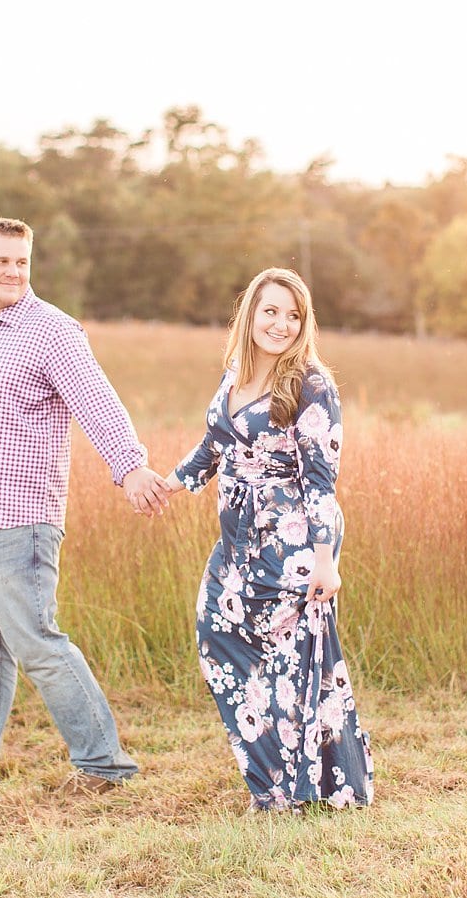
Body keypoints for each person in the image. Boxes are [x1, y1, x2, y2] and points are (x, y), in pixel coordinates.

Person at [0, 216, 170, 796]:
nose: (13, 271)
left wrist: (129, 464)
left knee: (36, 642)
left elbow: (95, 401)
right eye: (2, 260)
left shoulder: (53, 331)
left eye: (22, 262)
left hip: (17, 519)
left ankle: (104, 766)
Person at [162, 267, 373, 811]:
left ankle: (286, 792)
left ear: (304, 324)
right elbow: (214, 445)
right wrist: (169, 485)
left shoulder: (310, 383)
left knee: (290, 660)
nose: (280, 324)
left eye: (293, 314)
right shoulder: (236, 374)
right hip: (237, 538)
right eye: (271, 311)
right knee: (216, 634)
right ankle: (276, 781)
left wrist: (326, 561)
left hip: (294, 539)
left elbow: (323, 480)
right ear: (250, 314)